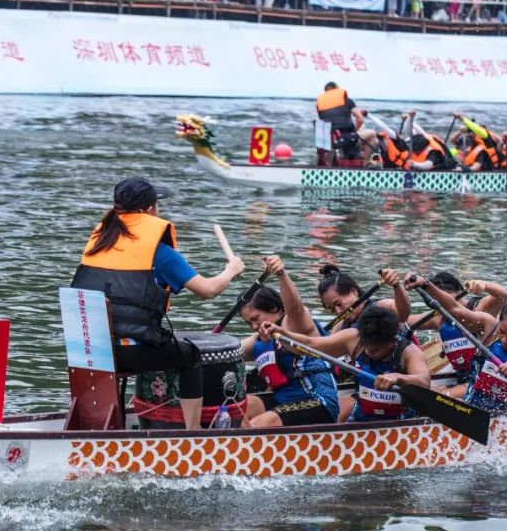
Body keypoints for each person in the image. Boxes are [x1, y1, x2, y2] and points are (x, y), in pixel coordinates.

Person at [70, 176, 244, 430]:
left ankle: (105, 425)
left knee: (151, 345)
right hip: (130, 353)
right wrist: (231, 270)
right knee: (190, 356)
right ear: (150, 210)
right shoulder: (159, 252)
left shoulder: (101, 240)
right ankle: (193, 432)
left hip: (91, 351)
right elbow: (208, 290)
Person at [261, 305, 429, 422]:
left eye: (376, 350)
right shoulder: (353, 338)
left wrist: (399, 377)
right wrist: (281, 333)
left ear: (392, 341)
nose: (369, 352)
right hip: (363, 414)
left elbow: (424, 381)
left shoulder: (409, 352)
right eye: (366, 347)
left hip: (400, 419)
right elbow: (310, 345)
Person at [240, 256, 340, 427]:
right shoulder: (260, 337)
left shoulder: (295, 321)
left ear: (273, 308)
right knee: (238, 409)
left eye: (255, 318)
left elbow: (295, 305)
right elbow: (230, 351)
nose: (254, 326)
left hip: (318, 400)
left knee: (259, 424)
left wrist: (281, 274)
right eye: (248, 323)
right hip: (283, 400)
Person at [406, 273, 507, 392]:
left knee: (441, 394)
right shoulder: (438, 317)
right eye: (442, 304)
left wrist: (484, 285)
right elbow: (402, 320)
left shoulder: (481, 308)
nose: (449, 307)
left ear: (460, 291)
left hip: (484, 377)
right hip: (462, 377)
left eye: (448, 301)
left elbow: (502, 295)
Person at [318, 264, 411, 333]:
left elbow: (403, 315)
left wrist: (396, 285)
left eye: (338, 304)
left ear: (353, 292)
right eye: (332, 309)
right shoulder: (339, 327)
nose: (338, 311)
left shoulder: (381, 307)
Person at [315, 82, 377, 165]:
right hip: (343, 138)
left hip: (328, 140)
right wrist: (357, 129)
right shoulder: (347, 101)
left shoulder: (319, 105)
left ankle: (339, 160)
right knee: (371, 134)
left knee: (358, 130)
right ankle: (366, 164)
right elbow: (360, 118)